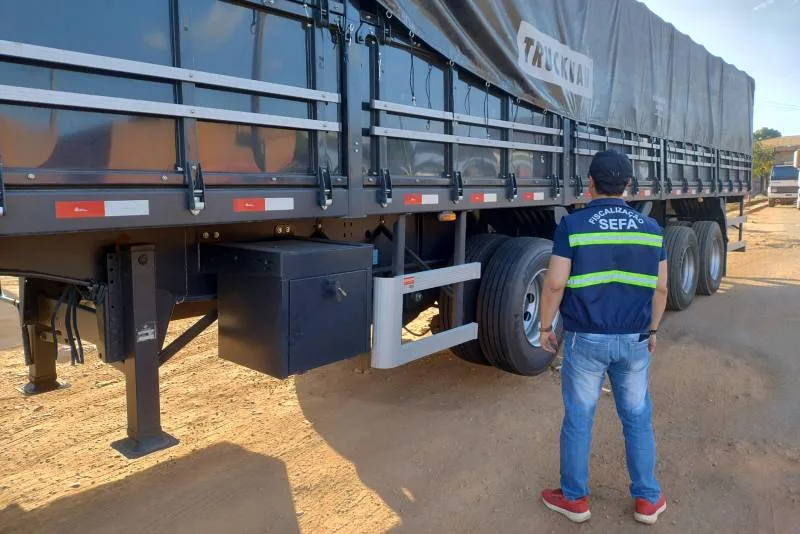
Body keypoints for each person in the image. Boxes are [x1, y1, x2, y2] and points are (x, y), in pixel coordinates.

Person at [538, 150, 669, 525]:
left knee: (579, 417)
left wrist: (546, 328)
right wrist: (653, 330)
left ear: (590, 183)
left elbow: (555, 283)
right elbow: (661, 289)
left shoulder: (573, 226)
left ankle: (575, 499)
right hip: (634, 340)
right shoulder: (651, 231)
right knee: (637, 417)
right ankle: (647, 499)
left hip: (586, 340)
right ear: (628, 185)